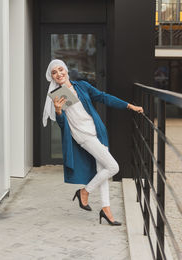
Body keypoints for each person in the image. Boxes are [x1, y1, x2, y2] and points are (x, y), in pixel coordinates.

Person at [43, 59, 143, 226]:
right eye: (54, 72)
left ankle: (106, 210)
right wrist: (59, 111)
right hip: (83, 136)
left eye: (61, 70)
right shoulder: (57, 95)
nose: (59, 74)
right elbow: (62, 125)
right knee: (113, 167)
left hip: (98, 131)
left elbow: (103, 97)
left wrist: (129, 106)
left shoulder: (81, 86)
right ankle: (84, 191)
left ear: (66, 70)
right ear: (52, 77)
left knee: (102, 170)